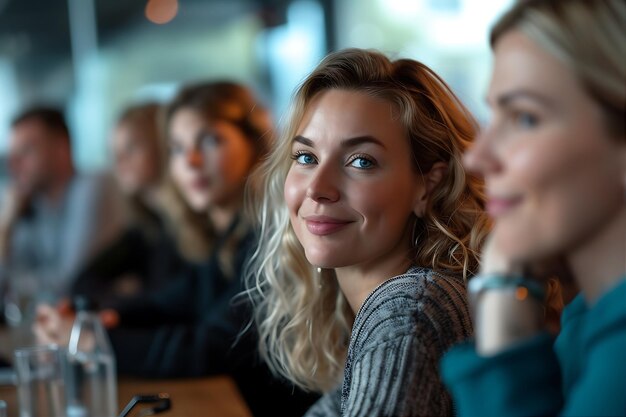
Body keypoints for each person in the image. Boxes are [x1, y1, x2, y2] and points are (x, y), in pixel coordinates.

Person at [35, 82, 318, 416]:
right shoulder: (228, 236)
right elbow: (168, 304)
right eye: (177, 148)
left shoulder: (274, 235)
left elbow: (210, 348)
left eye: (210, 140)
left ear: (254, 143)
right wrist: (89, 320)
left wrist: (93, 341)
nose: (191, 161)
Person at [246, 48, 489, 416]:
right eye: (306, 157)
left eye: (361, 161)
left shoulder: (409, 312)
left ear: (428, 187)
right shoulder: (398, 305)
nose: (317, 188)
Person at [441, 1, 626, 416]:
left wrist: (503, 314)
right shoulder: (591, 321)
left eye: (524, 118)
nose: (477, 157)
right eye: (493, 115)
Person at [0, 106, 124, 320]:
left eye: (26, 151)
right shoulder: (29, 204)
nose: (14, 164)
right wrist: (6, 224)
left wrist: (18, 285)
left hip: (105, 327)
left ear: (61, 148)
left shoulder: (92, 187)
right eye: (13, 154)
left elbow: (70, 283)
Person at [70, 102, 185, 307]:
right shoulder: (146, 228)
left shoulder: (193, 227)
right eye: (113, 152)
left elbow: (175, 309)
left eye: (131, 147)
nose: (119, 160)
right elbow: (80, 283)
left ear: (163, 145)